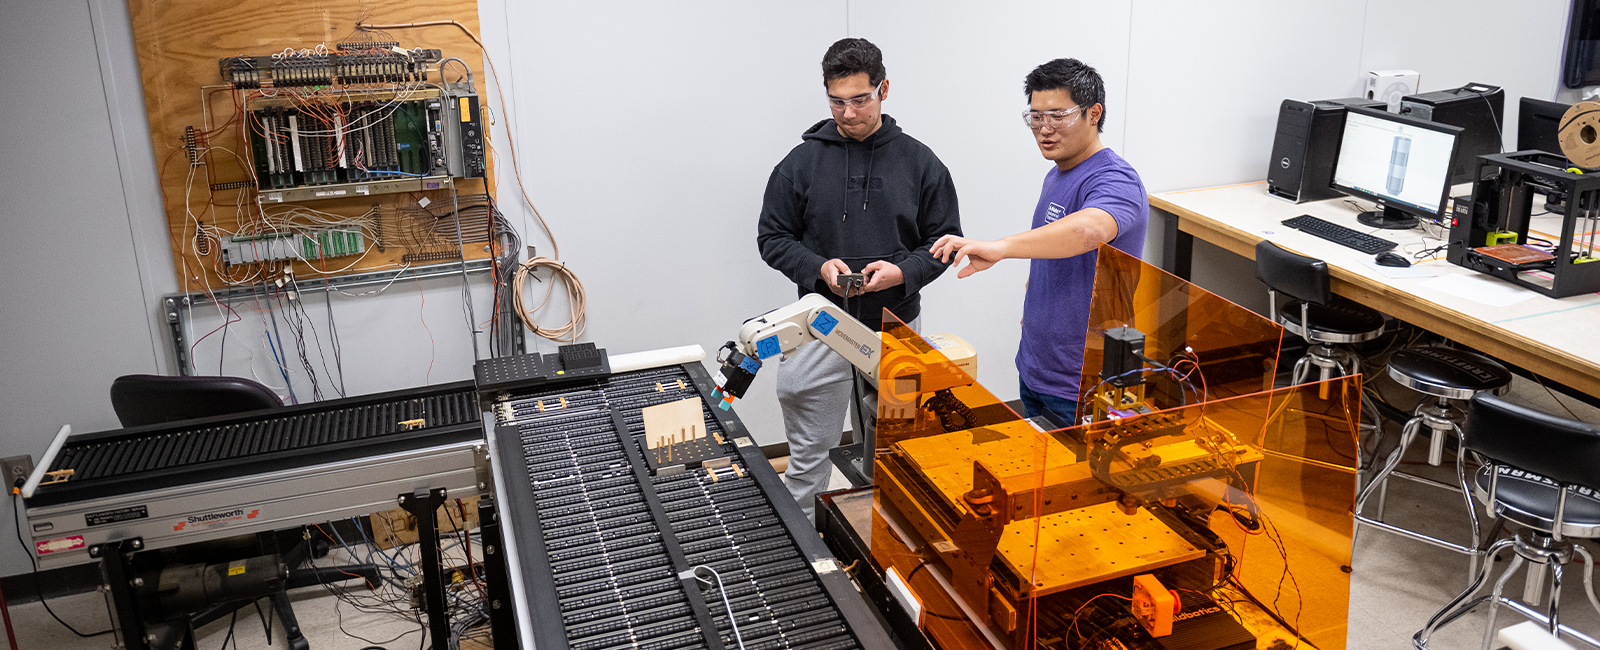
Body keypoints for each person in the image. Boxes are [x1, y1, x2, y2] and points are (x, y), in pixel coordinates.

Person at [757, 38, 961, 520]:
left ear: (884, 89)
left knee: (890, 449)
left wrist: (903, 272)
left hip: (893, 327)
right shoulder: (800, 164)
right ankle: (806, 551)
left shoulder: (921, 163)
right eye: (837, 101)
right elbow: (773, 237)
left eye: (860, 99)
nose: (848, 114)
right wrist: (815, 267)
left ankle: (879, 542)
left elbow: (945, 241)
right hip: (820, 324)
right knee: (808, 457)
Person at [929, 58, 1147, 426]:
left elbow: (1089, 230)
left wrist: (1001, 247)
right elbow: (1054, 255)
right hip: (1036, 366)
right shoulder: (1058, 173)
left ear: (1094, 114)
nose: (1044, 128)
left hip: (1082, 381)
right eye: (1036, 116)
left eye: (1058, 115)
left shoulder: (1117, 180)